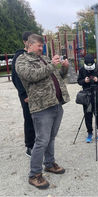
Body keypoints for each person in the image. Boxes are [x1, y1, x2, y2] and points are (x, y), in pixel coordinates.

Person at [16, 34, 70, 189]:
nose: (42, 48)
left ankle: (49, 163)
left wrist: (64, 68)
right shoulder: (22, 60)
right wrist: (52, 65)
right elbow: (32, 76)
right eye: (39, 46)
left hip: (56, 104)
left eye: (42, 46)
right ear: (30, 45)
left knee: (51, 138)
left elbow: (58, 77)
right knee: (41, 141)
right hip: (41, 107)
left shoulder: (45, 59)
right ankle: (34, 174)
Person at [12, 31, 35, 157]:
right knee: (29, 118)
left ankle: (37, 142)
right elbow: (16, 77)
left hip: (35, 93)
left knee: (37, 118)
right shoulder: (19, 56)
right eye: (29, 41)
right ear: (25, 42)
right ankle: (29, 146)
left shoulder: (32, 55)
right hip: (26, 95)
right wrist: (24, 94)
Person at [77, 54, 98, 143]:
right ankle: (89, 133)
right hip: (86, 96)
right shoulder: (82, 70)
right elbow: (79, 81)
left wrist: (97, 80)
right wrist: (84, 81)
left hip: (97, 95)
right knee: (87, 115)